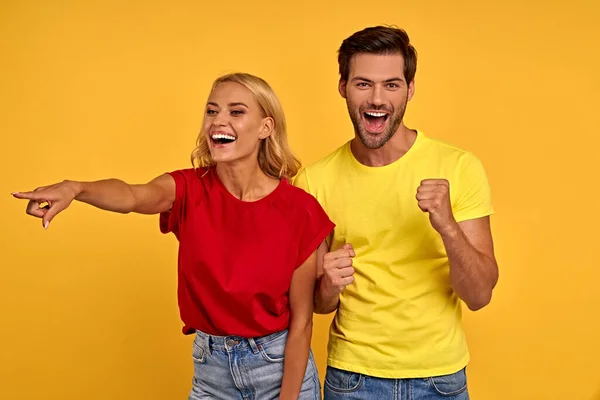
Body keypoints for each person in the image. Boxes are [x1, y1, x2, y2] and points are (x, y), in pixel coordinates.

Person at [13, 72, 334, 400]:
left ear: (266, 128)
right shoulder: (188, 190)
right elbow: (132, 196)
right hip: (211, 369)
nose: (218, 121)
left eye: (236, 112)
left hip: (278, 366)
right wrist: (76, 188)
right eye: (212, 111)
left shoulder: (298, 209)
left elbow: (302, 323)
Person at [293, 26, 499, 399]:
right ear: (342, 86)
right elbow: (319, 306)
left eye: (391, 84)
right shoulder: (313, 181)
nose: (376, 98)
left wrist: (448, 226)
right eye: (362, 84)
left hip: (440, 378)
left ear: (410, 88)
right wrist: (328, 282)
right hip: (352, 378)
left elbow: (480, 294)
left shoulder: (458, 166)